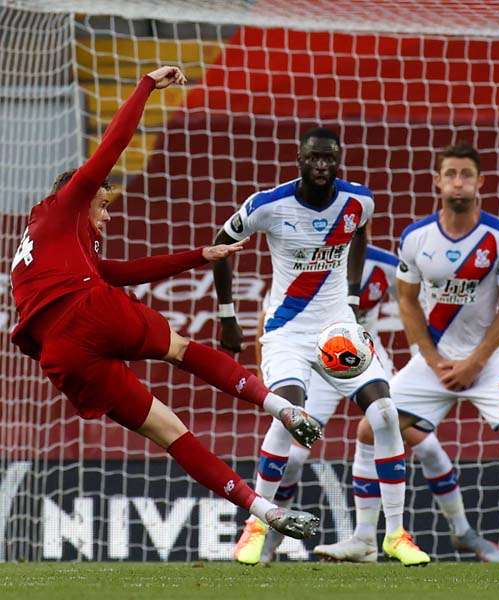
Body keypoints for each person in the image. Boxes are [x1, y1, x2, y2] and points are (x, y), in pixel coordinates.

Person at [8, 66, 321, 543]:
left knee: (168, 430)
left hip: (62, 358)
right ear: (84, 195)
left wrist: (200, 256)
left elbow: (121, 272)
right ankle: (281, 407)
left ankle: (262, 510)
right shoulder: (68, 204)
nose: (107, 217)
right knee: (178, 349)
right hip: (86, 313)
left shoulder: (46, 242)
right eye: (105, 206)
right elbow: (111, 147)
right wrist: (146, 87)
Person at [330, 142, 499, 565]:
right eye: (451, 174)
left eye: (466, 174)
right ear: (438, 182)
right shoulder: (416, 237)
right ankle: (364, 539)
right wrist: (432, 360)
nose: (458, 182)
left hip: (486, 360)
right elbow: (407, 302)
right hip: (435, 362)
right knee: (370, 431)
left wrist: (475, 362)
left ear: (480, 182)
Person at [213, 128, 430, 566]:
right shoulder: (267, 205)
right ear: (299, 158)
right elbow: (221, 243)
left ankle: (395, 533)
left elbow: (359, 233)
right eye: (313, 158)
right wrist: (227, 316)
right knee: (291, 416)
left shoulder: (357, 201)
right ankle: (256, 524)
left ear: (339, 160)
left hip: (338, 331)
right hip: (286, 332)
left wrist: (350, 296)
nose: (321, 166)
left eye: (329, 158)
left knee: (385, 413)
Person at [249, 243, 499, 563]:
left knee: (424, 446)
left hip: (365, 363)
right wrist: (265, 374)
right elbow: (267, 317)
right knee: (294, 458)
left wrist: (422, 365)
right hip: (316, 363)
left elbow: (413, 309)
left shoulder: (384, 265)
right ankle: (270, 541)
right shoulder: (306, 260)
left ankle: (462, 531)